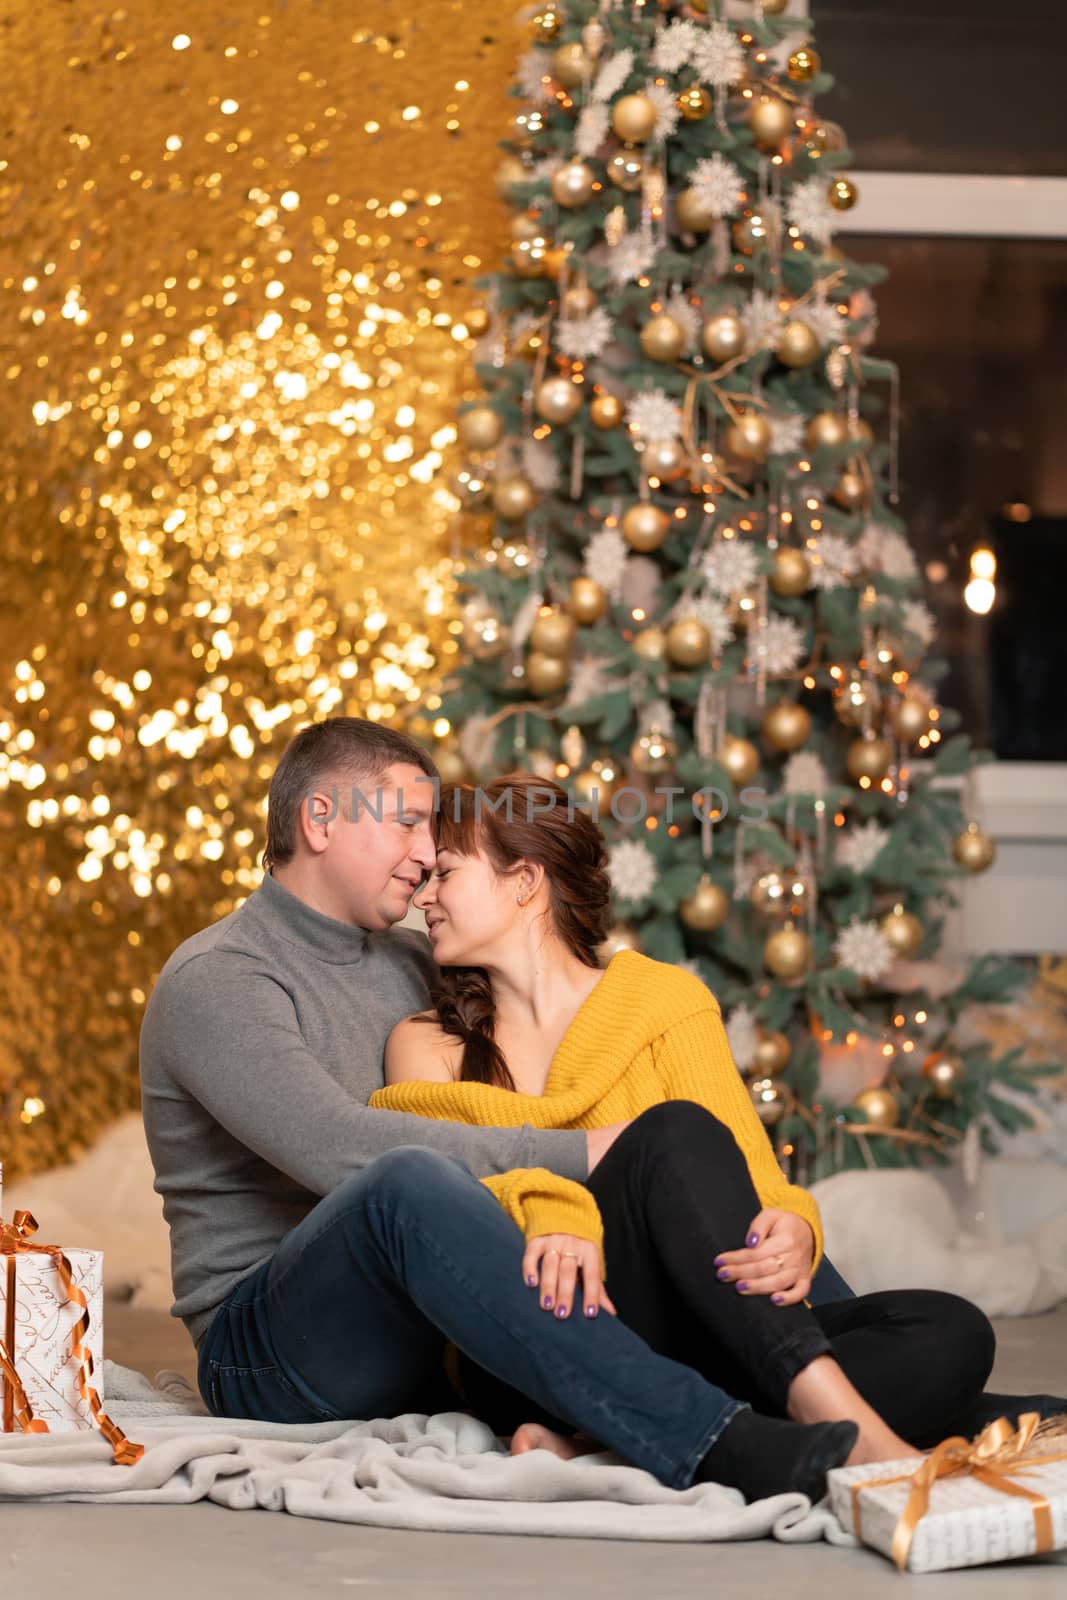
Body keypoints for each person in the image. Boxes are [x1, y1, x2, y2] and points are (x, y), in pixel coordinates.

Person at [140, 716, 863, 1507]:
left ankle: (854, 1382)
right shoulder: (220, 979)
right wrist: (587, 1155)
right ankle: (717, 1440)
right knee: (402, 1183)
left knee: (721, 1205)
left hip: (438, 1307)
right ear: (320, 818)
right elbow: (339, 1146)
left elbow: (513, 1089)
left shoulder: (421, 963)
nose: (425, 857)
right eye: (407, 821)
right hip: (271, 1345)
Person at [373, 774, 1064, 1462]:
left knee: (950, 1328)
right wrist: (558, 1207)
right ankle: (860, 1439)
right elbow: (446, 1196)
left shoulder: (661, 1000)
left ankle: (610, 1440)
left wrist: (791, 1222)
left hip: (698, 1329)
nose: (423, 897)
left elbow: (747, 1174)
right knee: (671, 1133)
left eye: (444, 874)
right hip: (541, 1340)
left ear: (523, 880)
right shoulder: (428, 1042)